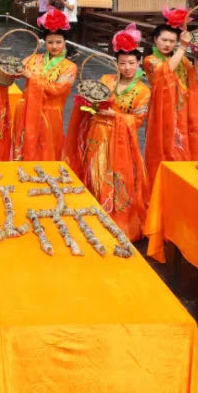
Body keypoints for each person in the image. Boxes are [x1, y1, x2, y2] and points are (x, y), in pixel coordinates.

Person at [63, 24, 150, 241]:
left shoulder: (143, 91)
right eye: (122, 63)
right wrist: (89, 105)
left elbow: (138, 120)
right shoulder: (106, 80)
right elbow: (93, 105)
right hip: (97, 134)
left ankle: (115, 221)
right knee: (94, 174)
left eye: (132, 63)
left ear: (139, 64)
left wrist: (115, 116)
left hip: (121, 141)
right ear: (116, 63)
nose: (127, 67)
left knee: (117, 180)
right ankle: (92, 216)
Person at [142, 8, 198, 193]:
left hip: (185, 111)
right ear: (155, 39)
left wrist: (197, 58)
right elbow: (165, 73)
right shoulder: (150, 60)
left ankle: (184, 189)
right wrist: (183, 47)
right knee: (167, 150)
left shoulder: (183, 59)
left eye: (172, 41)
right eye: (164, 40)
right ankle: (163, 189)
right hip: (164, 113)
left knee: (186, 149)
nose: (168, 44)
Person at [11, 8, 77, 161]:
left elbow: (58, 90)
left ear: (65, 42)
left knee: (47, 154)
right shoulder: (33, 58)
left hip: (50, 115)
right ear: (44, 42)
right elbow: (13, 73)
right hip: (26, 111)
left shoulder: (69, 67)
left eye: (58, 42)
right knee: (23, 150)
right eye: (50, 42)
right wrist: (1, 67)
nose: (54, 46)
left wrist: (31, 77)